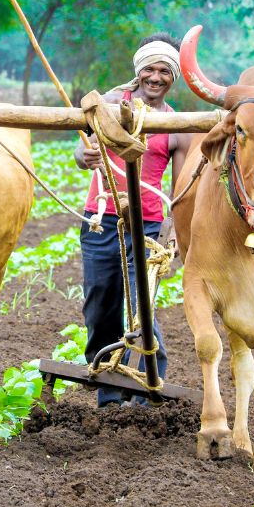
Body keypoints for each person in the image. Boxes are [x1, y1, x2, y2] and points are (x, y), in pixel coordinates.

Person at [73, 32, 191, 407]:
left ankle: (146, 395)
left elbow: (179, 191)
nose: (156, 77)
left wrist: (173, 234)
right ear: (138, 70)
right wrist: (86, 156)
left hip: (148, 227)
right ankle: (108, 395)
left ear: (173, 77)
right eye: (149, 69)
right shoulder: (108, 104)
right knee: (100, 306)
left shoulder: (177, 124)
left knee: (143, 311)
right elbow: (81, 150)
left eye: (164, 71)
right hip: (101, 218)